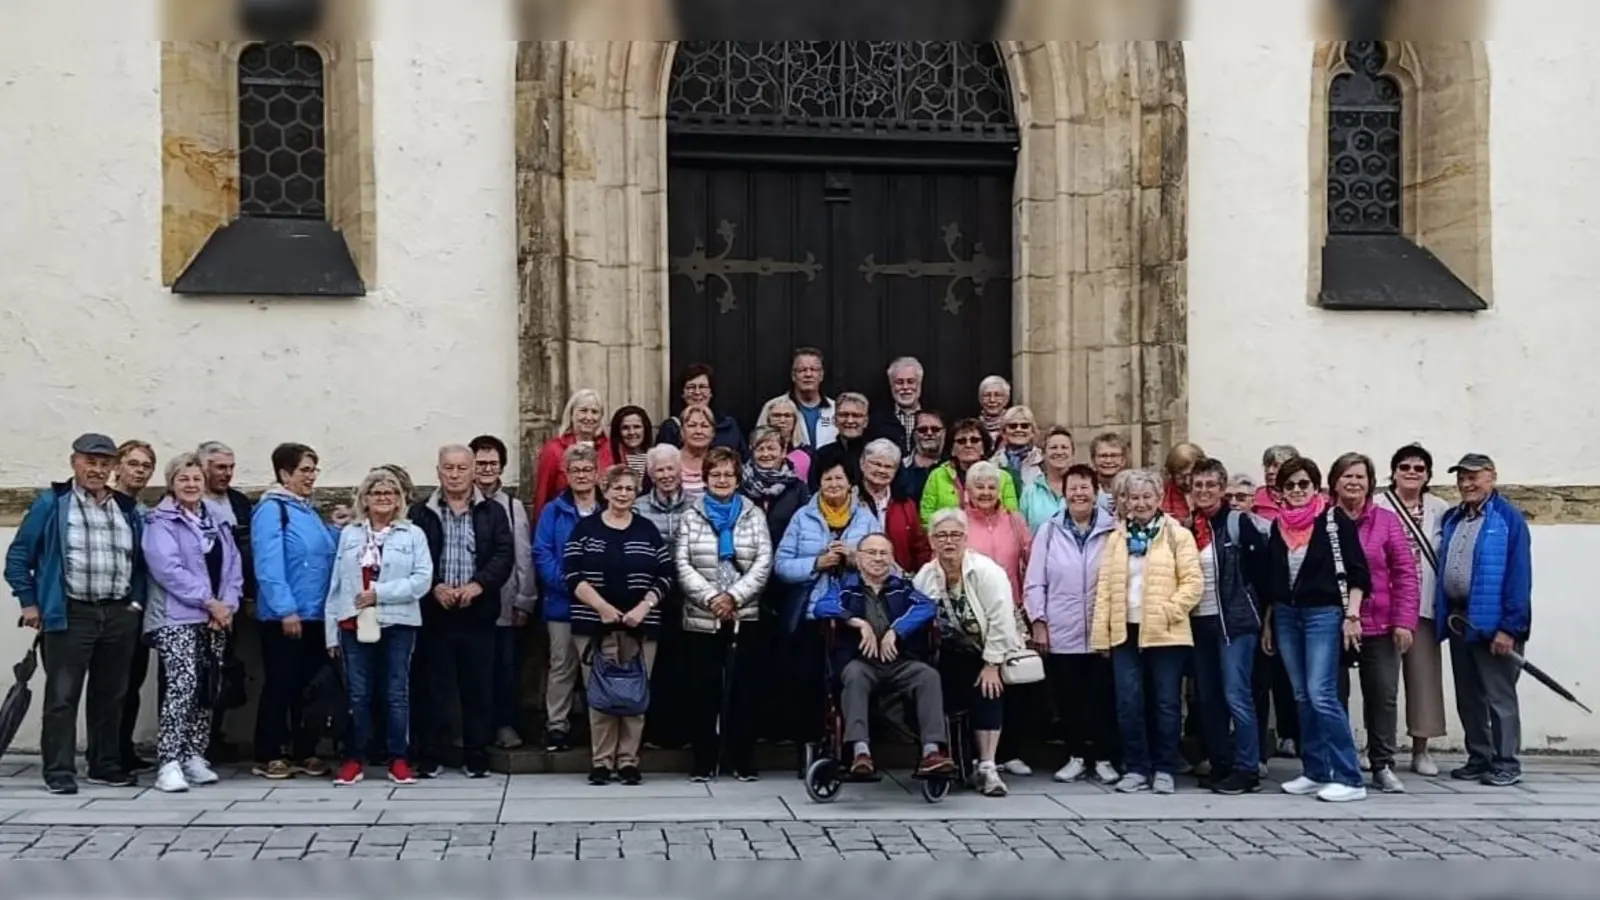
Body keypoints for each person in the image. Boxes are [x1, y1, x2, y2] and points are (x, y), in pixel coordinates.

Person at [6, 434, 149, 794]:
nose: (97, 469)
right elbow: (19, 557)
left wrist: (134, 605)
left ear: (113, 467)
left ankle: (104, 764)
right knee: (62, 697)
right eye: (90, 462)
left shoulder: (126, 508)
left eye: (104, 463)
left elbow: (141, 564)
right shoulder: (53, 503)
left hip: (118, 613)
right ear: (74, 463)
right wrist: (29, 603)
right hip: (70, 613)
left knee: (110, 695)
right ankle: (58, 771)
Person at [1261, 456, 1371, 803]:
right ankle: (1316, 770)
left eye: (1303, 484)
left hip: (1323, 613)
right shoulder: (1278, 526)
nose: (1296, 490)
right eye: (1289, 485)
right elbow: (1273, 582)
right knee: (1301, 695)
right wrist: (1269, 623)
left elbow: (1358, 572)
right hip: (1287, 615)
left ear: (1315, 486)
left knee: (1321, 693)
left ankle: (1350, 777)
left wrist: (1352, 616)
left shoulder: (1333, 520)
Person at [1091, 469, 1202, 795]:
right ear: (1123, 502)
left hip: (1166, 633)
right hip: (1125, 631)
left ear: (1158, 499)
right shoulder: (1117, 538)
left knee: (1166, 702)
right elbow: (1105, 591)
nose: (1139, 504)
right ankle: (1137, 767)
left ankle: (1165, 767)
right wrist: (1102, 636)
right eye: (1132, 497)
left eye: (1146, 497)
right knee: (1128, 702)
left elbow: (1193, 583)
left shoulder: (1176, 535)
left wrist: (1168, 611)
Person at [812, 533, 955, 781]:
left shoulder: (903, 588)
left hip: (900, 662)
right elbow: (821, 606)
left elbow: (927, 607)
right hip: (860, 663)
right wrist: (856, 622)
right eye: (871, 553)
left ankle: (932, 751)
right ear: (858, 557)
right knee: (855, 676)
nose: (878, 559)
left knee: (928, 676)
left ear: (891, 558)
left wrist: (896, 630)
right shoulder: (845, 587)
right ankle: (860, 752)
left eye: (883, 554)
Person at [409, 444, 515, 778]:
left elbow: (503, 554)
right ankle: (431, 753)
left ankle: (476, 755)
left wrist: (479, 585)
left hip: (477, 612)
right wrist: (434, 585)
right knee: (432, 688)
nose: (454, 475)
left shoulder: (493, 511)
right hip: (434, 612)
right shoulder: (420, 512)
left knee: (478, 688)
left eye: (461, 468)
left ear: (473, 471)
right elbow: (411, 558)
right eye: (448, 468)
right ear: (438, 471)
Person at [564, 466, 673, 785]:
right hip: (594, 625)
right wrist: (602, 608)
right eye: (617, 488)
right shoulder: (585, 529)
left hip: (641, 625)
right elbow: (571, 574)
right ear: (605, 489)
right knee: (600, 694)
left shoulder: (647, 530)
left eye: (629, 489)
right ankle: (601, 761)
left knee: (634, 695)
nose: (623, 494)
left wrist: (644, 606)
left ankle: (628, 760)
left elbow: (665, 574)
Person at [141, 452, 243, 793]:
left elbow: (233, 567)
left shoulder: (215, 521)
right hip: (176, 616)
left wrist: (227, 605)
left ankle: (193, 755)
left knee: (205, 687)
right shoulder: (161, 522)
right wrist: (209, 602)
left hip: (214, 617)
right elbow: (167, 570)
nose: (191, 485)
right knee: (182, 684)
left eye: (196, 479)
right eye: (183, 479)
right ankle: (168, 760)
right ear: (172, 484)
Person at [325, 468, 432, 787]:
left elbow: (422, 579)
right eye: (377, 493)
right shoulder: (351, 534)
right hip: (353, 621)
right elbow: (337, 584)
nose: (384, 499)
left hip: (397, 621)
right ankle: (354, 758)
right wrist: (331, 630)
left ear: (400, 499)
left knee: (395, 692)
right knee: (358, 693)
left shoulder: (412, 535)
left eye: (390, 493)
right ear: (365, 499)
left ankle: (397, 758)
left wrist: (381, 593)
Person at [675, 447, 774, 781]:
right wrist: (712, 598)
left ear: (737, 478)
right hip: (702, 617)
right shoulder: (691, 515)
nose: (721, 480)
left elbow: (763, 562)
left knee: (743, 692)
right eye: (715, 474)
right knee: (703, 692)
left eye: (727, 474)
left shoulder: (753, 514)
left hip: (744, 615)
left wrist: (733, 596)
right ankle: (705, 760)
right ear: (705, 478)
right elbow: (682, 563)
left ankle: (741, 759)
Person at [250, 442, 346, 781]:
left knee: (308, 686)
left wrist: (334, 529)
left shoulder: (306, 510)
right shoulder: (273, 510)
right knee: (281, 684)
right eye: (305, 470)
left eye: (313, 470)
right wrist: (285, 608)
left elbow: (321, 554)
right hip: (285, 617)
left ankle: (304, 750)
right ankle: (269, 752)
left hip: (315, 614)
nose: (311, 477)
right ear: (284, 473)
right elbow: (268, 563)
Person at [1436, 453, 1532, 787]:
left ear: (1492, 476)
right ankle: (1480, 756)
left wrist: (1510, 627)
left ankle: (1506, 761)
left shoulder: (1508, 519)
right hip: (1460, 620)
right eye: (1462, 477)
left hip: (1494, 623)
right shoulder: (1454, 518)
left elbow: (1519, 578)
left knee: (1499, 696)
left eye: (1474, 476)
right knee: (1469, 695)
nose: (1466, 483)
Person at [914, 511, 1025, 797]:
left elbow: (1002, 619)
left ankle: (988, 766)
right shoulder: (926, 576)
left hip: (989, 647)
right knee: (939, 689)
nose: (948, 541)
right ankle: (957, 760)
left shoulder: (985, 571)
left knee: (987, 689)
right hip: (951, 651)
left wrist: (992, 664)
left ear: (966, 538)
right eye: (941, 535)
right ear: (931, 541)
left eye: (955, 535)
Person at [772, 459, 881, 746]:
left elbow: (884, 564)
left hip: (854, 615)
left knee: (849, 680)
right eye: (827, 479)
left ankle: (852, 744)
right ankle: (809, 745)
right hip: (811, 614)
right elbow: (781, 565)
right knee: (808, 681)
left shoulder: (866, 518)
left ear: (851, 485)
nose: (833, 485)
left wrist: (855, 558)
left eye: (839, 479)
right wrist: (816, 563)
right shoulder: (802, 517)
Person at [1024, 464, 1120, 786]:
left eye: (1085, 487)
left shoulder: (1114, 530)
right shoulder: (1049, 531)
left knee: (1103, 697)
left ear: (1096, 492)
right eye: (1073, 488)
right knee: (1069, 699)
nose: (1079, 494)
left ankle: (1104, 757)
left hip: (1102, 630)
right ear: (1063, 494)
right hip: (1062, 629)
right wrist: (1039, 621)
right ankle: (1076, 756)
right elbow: (1034, 581)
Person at [1329, 451, 1419, 793]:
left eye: (1360, 477)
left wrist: (1404, 621)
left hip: (1379, 622)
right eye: (1347, 476)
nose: (1353, 482)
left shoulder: (1386, 521)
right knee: (1334, 694)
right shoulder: (1325, 520)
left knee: (1382, 694)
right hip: (1333, 623)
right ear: (1335, 482)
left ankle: (1382, 763)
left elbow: (1405, 573)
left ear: (1370, 483)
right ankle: (1339, 761)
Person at [1184, 458, 1270, 795]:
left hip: (1235, 623)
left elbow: (1261, 575)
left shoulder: (1238, 524)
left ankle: (1247, 768)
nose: (1204, 491)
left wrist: (1265, 622)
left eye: (1211, 485)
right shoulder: (1187, 528)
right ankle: (1221, 763)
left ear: (1222, 489)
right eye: (1198, 486)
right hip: (1199, 622)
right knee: (1209, 697)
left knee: (1237, 694)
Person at [1372, 443, 1450, 777]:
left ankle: (1421, 750)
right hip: (1383, 604)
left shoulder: (1440, 508)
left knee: (1424, 679)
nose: (1412, 473)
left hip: (1425, 603)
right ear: (1393, 471)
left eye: (1420, 468)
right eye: (1405, 467)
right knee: (1379, 682)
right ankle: (1377, 749)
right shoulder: (1377, 504)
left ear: (1428, 474)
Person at [469, 434, 540, 751]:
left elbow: (523, 556)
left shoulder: (512, 507)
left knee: (505, 669)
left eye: (492, 464)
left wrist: (525, 600)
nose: (486, 469)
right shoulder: (459, 501)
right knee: (472, 670)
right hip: (467, 604)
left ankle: (505, 725)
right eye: (480, 463)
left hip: (504, 603)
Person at [533, 443, 602, 752]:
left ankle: (598, 726)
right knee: (561, 665)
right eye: (575, 470)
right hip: (562, 603)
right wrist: (571, 585)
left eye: (588, 469)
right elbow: (542, 553)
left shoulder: (607, 509)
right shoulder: (553, 510)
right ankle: (557, 726)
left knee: (596, 667)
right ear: (566, 475)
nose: (582, 475)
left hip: (602, 605)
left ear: (597, 474)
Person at [196, 440, 255, 761]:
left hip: (231, 602)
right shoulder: (187, 500)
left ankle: (214, 736)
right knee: (191, 675)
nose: (227, 474)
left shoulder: (239, 502)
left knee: (223, 671)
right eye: (220, 467)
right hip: (195, 604)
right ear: (201, 467)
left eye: (231, 468)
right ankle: (192, 742)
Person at [634, 444, 692, 750]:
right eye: (660, 470)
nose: (666, 475)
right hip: (651, 597)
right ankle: (653, 732)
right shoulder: (637, 507)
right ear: (650, 474)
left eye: (671, 469)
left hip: (688, 596)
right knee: (653, 664)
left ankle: (683, 731)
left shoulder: (698, 505)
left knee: (685, 665)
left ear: (680, 471)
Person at [111, 439, 157, 774]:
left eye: (146, 466)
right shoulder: (106, 505)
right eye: (134, 463)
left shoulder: (141, 511)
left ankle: (123, 747)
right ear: (117, 466)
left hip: (138, 609)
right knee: (111, 685)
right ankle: (107, 750)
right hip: (110, 607)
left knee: (132, 682)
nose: (140, 471)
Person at [532, 389, 614, 519]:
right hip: (563, 520)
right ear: (571, 414)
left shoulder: (609, 448)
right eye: (583, 411)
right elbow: (543, 493)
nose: (589, 417)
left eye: (594, 412)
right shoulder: (554, 449)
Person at [920, 418, 1018, 526]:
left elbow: (1011, 517)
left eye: (974, 440)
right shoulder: (937, 476)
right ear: (952, 449)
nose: (968, 445)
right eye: (961, 441)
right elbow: (926, 518)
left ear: (984, 447)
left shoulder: (1002, 477)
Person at [857, 439, 929, 574]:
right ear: (862, 464)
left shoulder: (906, 505)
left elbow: (919, 547)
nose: (881, 470)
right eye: (877, 464)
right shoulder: (850, 498)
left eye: (888, 467)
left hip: (898, 581)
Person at [656, 364, 747, 456]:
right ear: (682, 393)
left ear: (711, 392)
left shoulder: (729, 425)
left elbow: (743, 459)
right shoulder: (671, 427)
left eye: (702, 387)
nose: (697, 392)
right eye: (691, 387)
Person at [757, 347, 836, 450]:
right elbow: (758, 444)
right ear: (793, 376)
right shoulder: (773, 407)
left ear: (821, 375)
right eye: (802, 370)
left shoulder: (835, 409)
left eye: (814, 369)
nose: (808, 374)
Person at [808, 392, 871, 491]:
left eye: (856, 416)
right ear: (835, 420)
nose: (850, 421)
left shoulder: (875, 454)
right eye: (843, 415)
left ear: (866, 421)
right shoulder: (822, 455)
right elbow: (813, 490)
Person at [867, 356, 925, 457]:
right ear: (891, 385)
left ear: (919, 383)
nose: (905, 387)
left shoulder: (934, 420)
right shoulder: (875, 421)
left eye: (911, 381)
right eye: (899, 382)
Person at [1020, 427, 1076, 531]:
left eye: (1064, 447)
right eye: (1053, 447)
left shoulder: (1084, 490)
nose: (1059, 452)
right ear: (1043, 454)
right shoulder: (1029, 493)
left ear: (1072, 454)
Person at [753, 396, 812, 485]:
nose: (782, 420)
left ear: (795, 420)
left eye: (787, 416)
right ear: (767, 418)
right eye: (777, 415)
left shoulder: (807, 453)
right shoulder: (756, 451)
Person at [893, 410, 946, 503]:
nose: (929, 433)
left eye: (935, 429)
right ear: (914, 435)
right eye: (922, 430)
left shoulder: (953, 467)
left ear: (944, 433)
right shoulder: (900, 468)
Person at [990, 406, 1043, 490]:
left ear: (1032, 431)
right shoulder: (993, 463)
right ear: (1004, 432)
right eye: (1013, 426)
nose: (1018, 429)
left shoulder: (1044, 461)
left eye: (1024, 426)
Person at [676, 404, 719, 501]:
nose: (698, 431)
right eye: (692, 425)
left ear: (713, 432)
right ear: (682, 431)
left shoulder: (722, 462)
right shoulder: (668, 460)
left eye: (704, 426)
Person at [1159, 442, 1204, 524]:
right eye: (1181, 477)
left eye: (1191, 476)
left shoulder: (1209, 491)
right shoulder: (1161, 493)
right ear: (1171, 474)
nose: (1187, 482)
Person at [1253, 445, 1300, 522]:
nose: (1269, 471)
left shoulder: (1305, 496)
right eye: (1267, 466)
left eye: (1276, 466)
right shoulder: (1256, 497)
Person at [609, 407, 655, 480]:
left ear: (645, 429)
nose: (631, 432)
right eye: (625, 428)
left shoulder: (655, 459)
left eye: (637, 427)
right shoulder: (610, 458)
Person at [1089, 432, 1129, 513]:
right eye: (1103, 456)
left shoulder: (1134, 487)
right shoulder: (1085, 488)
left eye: (1114, 455)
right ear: (1093, 459)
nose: (1108, 461)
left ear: (1123, 459)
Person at [976, 375, 1011, 447]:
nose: (992, 400)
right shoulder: (974, 426)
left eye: (997, 395)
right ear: (980, 399)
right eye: (987, 395)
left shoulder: (1014, 425)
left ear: (1006, 399)